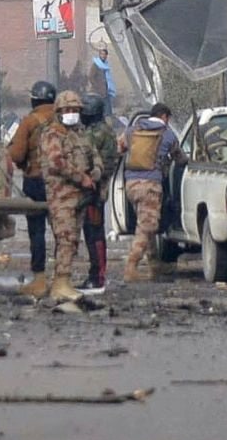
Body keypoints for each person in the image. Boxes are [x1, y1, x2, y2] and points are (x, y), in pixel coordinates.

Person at [38, 91, 104, 301]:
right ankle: (60, 283)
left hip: (80, 197)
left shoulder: (81, 133)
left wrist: (94, 174)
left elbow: (95, 157)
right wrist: (80, 177)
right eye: (68, 110)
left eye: (75, 110)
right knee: (65, 239)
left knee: (73, 240)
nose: (72, 114)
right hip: (62, 197)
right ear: (59, 111)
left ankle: (63, 281)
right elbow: (56, 162)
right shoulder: (52, 134)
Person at [122, 102, 187, 283]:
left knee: (145, 224)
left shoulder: (131, 131)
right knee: (147, 226)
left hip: (131, 185)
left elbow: (119, 148)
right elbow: (179, 158)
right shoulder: (167, 134)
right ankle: (131, 265)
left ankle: (154, 266)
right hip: (151, 186)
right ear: (165, 117)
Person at [7, 80, 57, 297]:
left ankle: (39, 279)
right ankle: (63, 278)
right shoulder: (62, 121)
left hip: (35, 181)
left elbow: (16, 154)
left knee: (37, 232)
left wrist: (22, 163)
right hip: (60, 183)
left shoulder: (29, 122)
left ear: (34, 99)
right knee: (62, 231)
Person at [79, 92, 120, 292]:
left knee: (94, 233)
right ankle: (97, 274)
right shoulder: (104, 129)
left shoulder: (96, 133)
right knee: (94, 232)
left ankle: (97, 275)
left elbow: (88, 158)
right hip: (97, 187)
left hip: (94, 189)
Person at [90, 46, 117, 117]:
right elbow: (91, 77)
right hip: (98, 92)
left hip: (106, 92)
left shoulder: (106, 65)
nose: (103, 56)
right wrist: (97, 87)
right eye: (102, 54)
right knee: (99, 111)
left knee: (108, 112)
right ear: (99, 55)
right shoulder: (96, 65)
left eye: (105, 54)